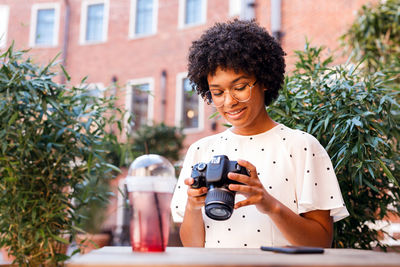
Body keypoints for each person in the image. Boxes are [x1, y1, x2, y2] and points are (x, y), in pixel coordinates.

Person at [170, 19, 349, 248]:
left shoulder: (301, 146)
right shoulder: (200, 151)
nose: (229, 101)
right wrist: (193, 207)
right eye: (217, 92)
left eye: (240, 87)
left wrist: (269, 204)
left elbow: (321, 242)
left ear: (264, 80)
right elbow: (193, 248)